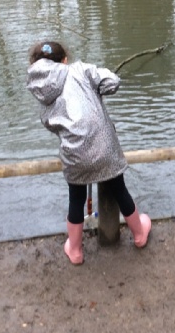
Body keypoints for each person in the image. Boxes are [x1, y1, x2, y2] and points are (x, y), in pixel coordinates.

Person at [27, 41, 151, 264]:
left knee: (76, 199)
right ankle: (139, 235)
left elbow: (49, 123)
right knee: (119, 190)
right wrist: (96, 91)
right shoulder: (80, 69)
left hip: (74, 154)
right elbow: (113, 81)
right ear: (65, 59)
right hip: (104, 148)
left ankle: (75, 251)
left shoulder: (41, 91)